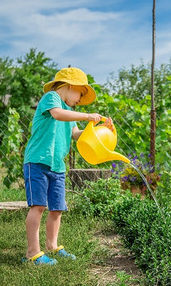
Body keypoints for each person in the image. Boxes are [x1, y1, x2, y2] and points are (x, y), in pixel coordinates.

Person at [22, 67, 113, 265]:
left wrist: (98, 128)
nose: (80, 99)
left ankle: (52, 246)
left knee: (57, 208)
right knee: (38, 206)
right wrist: (88, 115)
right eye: (81, 93)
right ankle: (32, 253)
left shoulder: (70, 112)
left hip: (57, 165)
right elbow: (57, 115)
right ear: (71, 85)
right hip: (37, 161)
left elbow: (76, 133)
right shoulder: (51, 98)